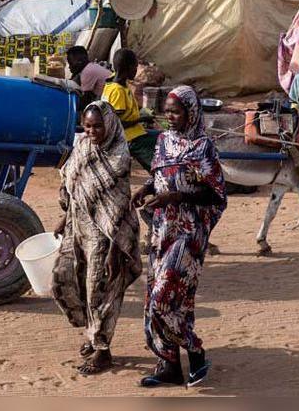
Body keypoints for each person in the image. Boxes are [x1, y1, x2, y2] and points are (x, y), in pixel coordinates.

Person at [132, 85, 226, 388]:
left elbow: (215, 193)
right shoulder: (163, 140)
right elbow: (160, 175)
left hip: (189, 233)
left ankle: (195, 351)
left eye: (176, 112)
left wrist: (175, 197)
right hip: (162, 230)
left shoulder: (202, 146)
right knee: (167, 299)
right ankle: (169, 365)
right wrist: (146, 188)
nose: (170, 117)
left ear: (191, 112)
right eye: (167, 112)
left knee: (163, 298)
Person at [51, 101, 142, 376]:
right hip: (77, 226)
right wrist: (65, 219)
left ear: (110, 125)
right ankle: (92, 334)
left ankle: (103, 349)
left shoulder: (118, 157)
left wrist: (116, 249)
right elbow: (73, 184)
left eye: (98, 126)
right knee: (66, 278)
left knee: (98, 291)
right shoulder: (82, 146)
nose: (92, 131)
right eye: (88, 126)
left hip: (105, 236)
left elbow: (119, 207)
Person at [102, 49, 156, 169]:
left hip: (134, 133)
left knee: (161, 136)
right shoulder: (118, 91)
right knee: (159, 146)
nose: (136, 71)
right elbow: (116, 124)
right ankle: (156, 172)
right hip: (128, 138)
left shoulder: (114, 82)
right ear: (128, 68)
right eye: (135, 67)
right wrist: (141, 119)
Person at [66, 46, 110, 111]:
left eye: (71, 63)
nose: (69, 67)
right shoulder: (91, 66)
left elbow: (85, 100)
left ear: (79, 62)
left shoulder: (87, 72)